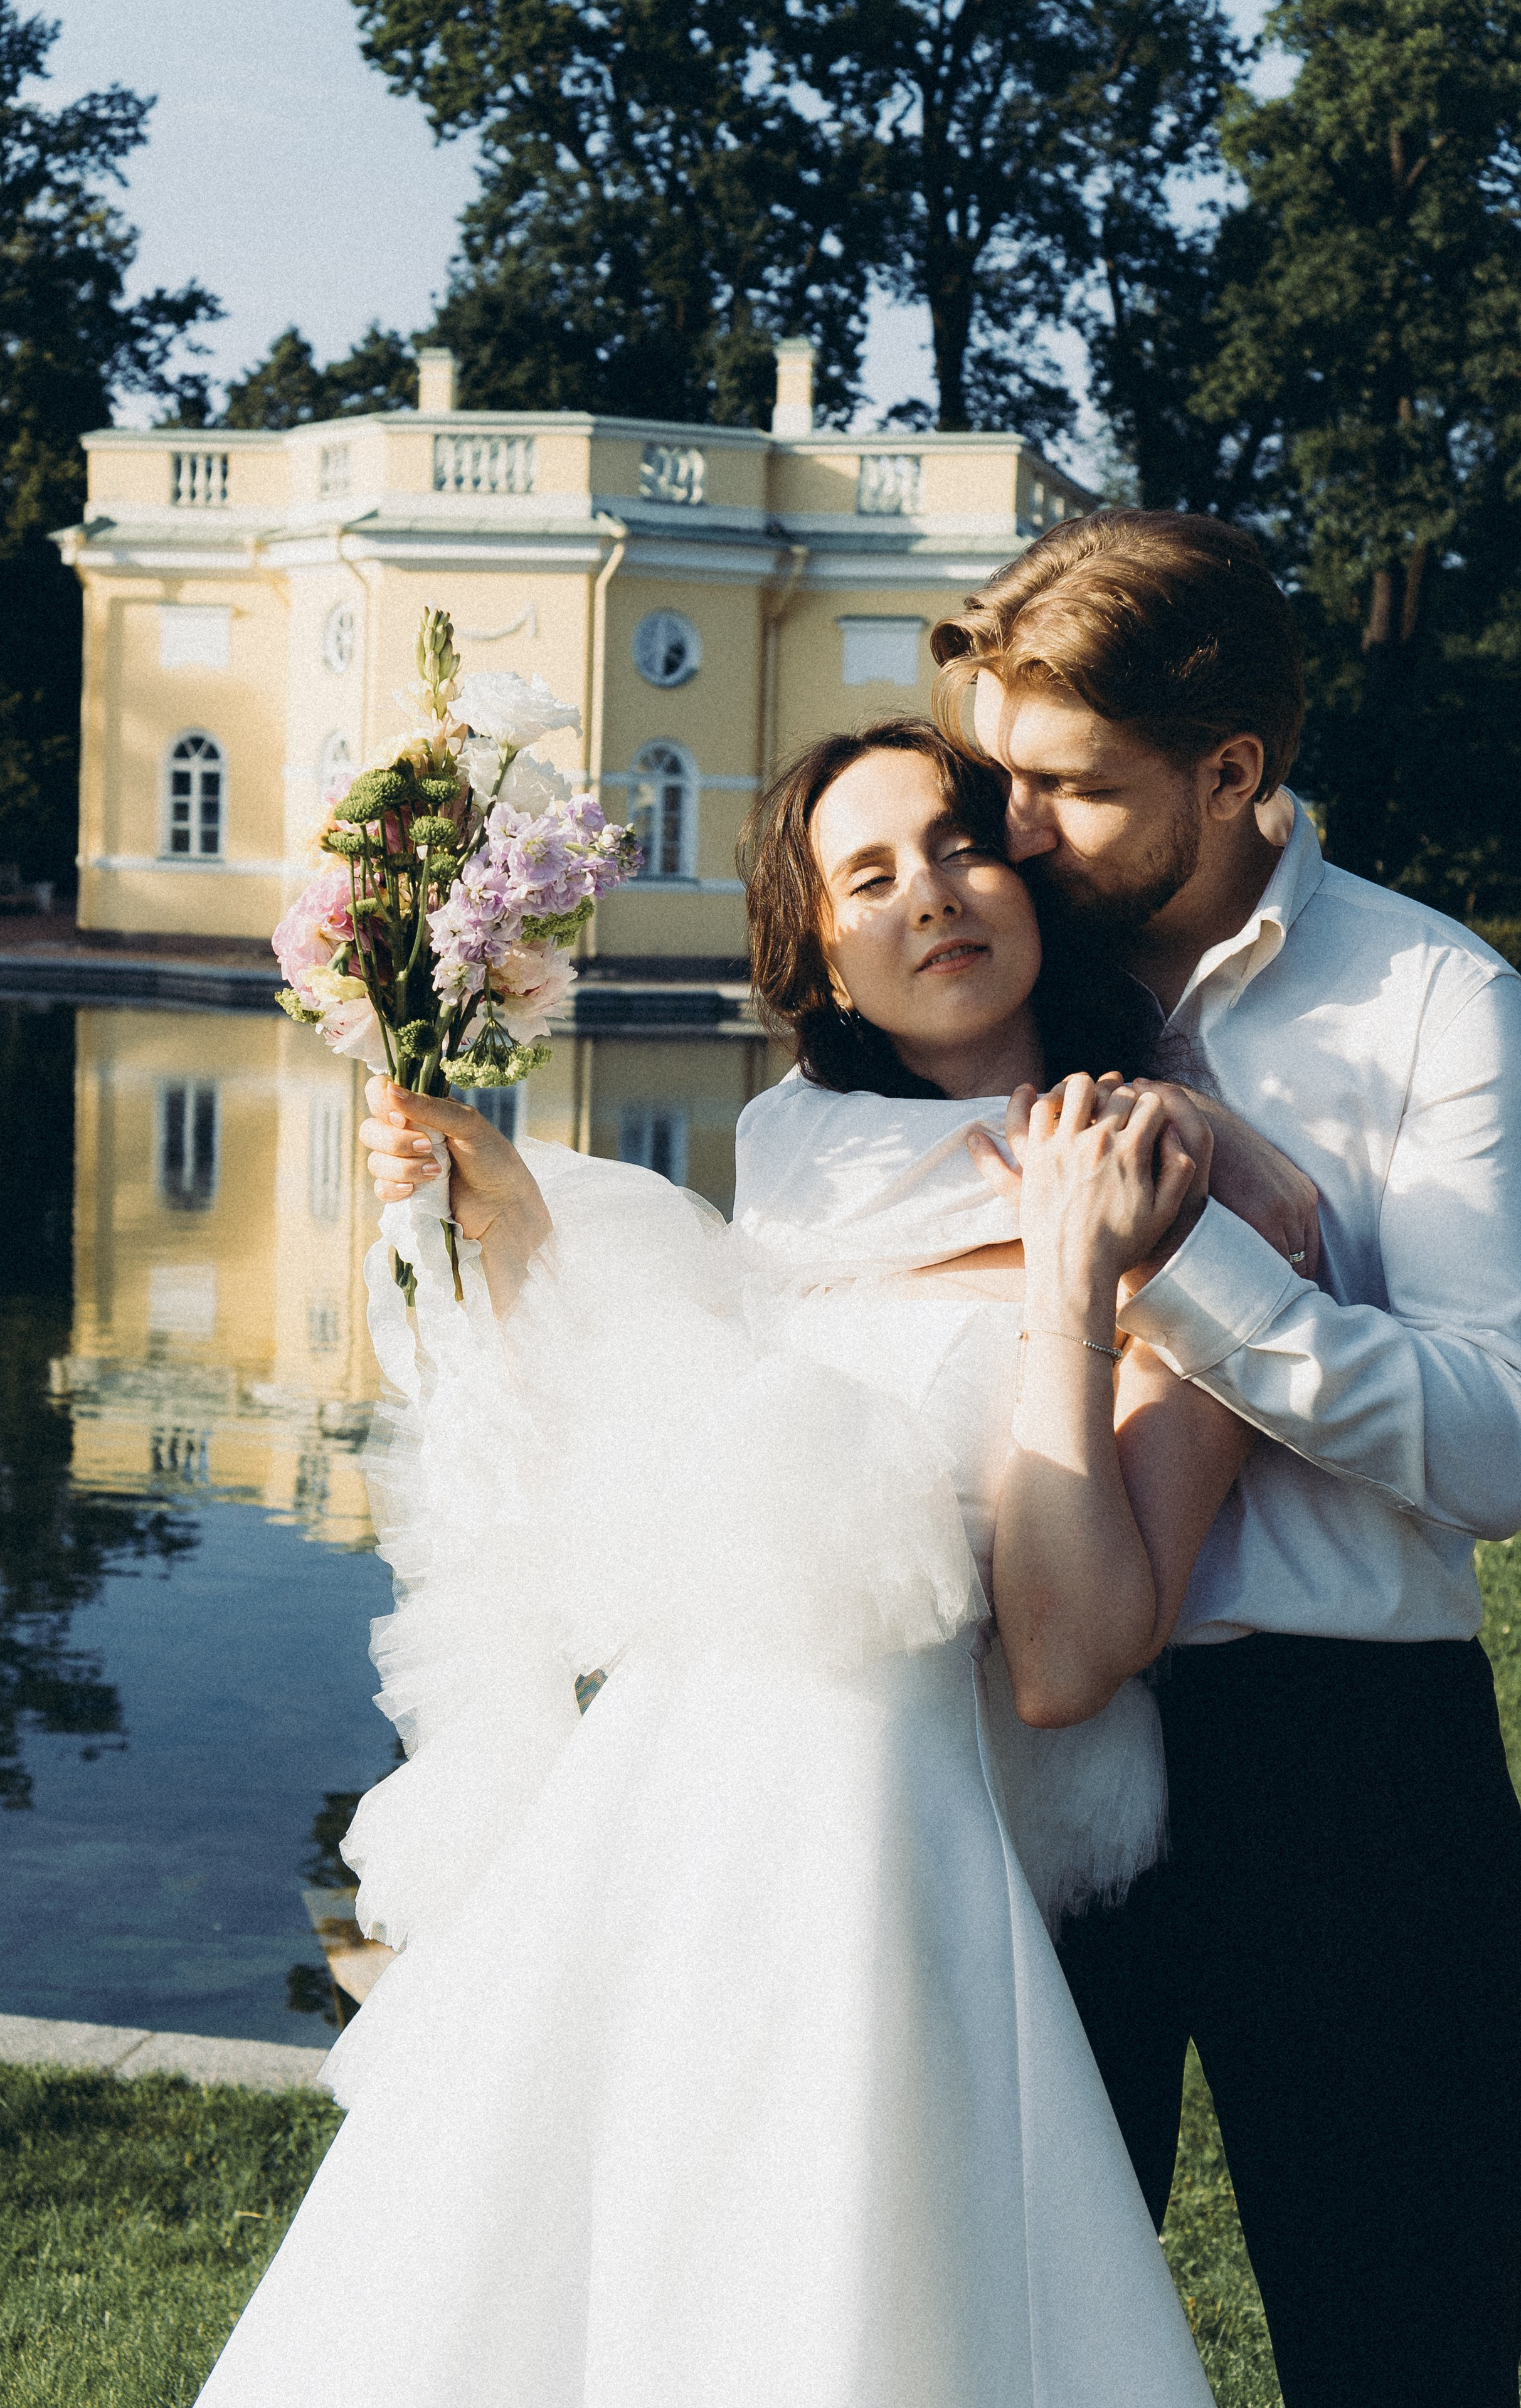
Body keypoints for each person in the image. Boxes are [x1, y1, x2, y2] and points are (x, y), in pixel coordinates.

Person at [194, 718, 1280, 2406]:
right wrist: (507, 1224)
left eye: (961, 845)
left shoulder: (1168, 1165)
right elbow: (670, 1488)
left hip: (890, 1844)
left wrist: (1071, 1283)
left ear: (1032, 880)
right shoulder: (790, 1162)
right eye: (869, 875)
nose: (930, 896)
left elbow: (1074, 1658)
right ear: (822, 950)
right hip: (670, 1811)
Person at [932, 507, 1521, 2408]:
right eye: (997, 775)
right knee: (1003, 2332)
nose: (1006, 834)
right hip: (1020, 1752)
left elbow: (1502, 1441)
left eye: (1067, 790)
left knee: (1398, 2343)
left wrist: (1192, 1271)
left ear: (1233, 773)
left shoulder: (1439, 1002)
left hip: (1350, 1756)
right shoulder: (971, 999)